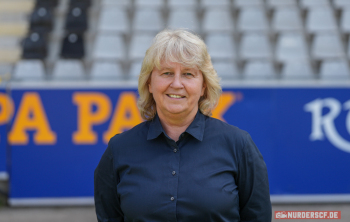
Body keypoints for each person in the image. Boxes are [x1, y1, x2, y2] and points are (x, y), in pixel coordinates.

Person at [94, 29, 272, 222]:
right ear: (149, 83)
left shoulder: (239, 145)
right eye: (167, 73)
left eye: (188, 74)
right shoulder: (119, 150)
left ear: (203, 85)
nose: (177, 83)